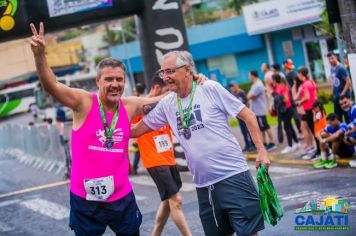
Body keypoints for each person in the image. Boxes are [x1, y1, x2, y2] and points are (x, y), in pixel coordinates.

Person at [29, 22, 167, 236]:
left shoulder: (129, 105)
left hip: (122, 199)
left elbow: (163, 99)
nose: (115, 84)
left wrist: (193, 84)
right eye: (109, 79)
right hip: (86, 201)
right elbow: (52, 86)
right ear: (98, 81)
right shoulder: (83, 102)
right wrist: (40, 55)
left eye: (119, 79)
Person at [131, 50, 270, 236]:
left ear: (187, 70)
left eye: (170, 71)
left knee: (249, 233)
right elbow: (135, 130)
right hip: (204, 187)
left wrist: (262, 151)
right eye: (163, 72)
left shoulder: (210, 88)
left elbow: (248, 115)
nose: (165, 77)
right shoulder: (167, 103)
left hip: (233, 176)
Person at [135, 72, 192, 236]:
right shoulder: (140, 106)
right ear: (157, 88)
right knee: (176, 200)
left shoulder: (165, 104)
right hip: (154, 160)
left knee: (168, 202)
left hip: (168, 158)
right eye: (167, 90)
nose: (170, 93)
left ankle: (155, 234)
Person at [247, 70, 276, 151]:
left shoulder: (258, 85)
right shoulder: (254, 85)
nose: (249, 77)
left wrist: (249, 96)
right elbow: (249, 95)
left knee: (265, 127)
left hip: (260, 110)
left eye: (249, 75)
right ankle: (265, 143)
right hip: (256, 110)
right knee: (261, 128)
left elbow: (250, 96)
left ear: (252, 75)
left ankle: (272, 143)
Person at [272, 73, 300, 154]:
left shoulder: (283, 87)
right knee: (290, 127)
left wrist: (278, 98)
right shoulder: (276, 87)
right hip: (282, 111)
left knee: (286, 128)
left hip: (287, 110)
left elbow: (286, 99)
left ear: (274, 80)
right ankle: (297, 142)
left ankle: (290, 146)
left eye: (272, 80)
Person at [296, 66, 317, 157]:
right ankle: (315, 149)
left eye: (298, 74)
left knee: (313, 130)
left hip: (309, 110)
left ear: (301, 74)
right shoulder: (310, 82)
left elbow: (307, 97)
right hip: (311, 109)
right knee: (312, 129)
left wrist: (299, 102)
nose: (297, 75)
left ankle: (316, 149)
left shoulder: (305, 84)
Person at [229, 81, 255, 152]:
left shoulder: (241, 92)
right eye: (231, 86)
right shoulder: (232, 95)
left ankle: (252, 145)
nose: (232, 88)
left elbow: (247, 102)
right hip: (238, 116)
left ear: (236, 85)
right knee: (243, 131)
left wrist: (246, 112)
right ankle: (247, 145)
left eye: (233, 86)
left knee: (248, 130)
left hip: (244, 116)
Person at [327, 52, 351, 123]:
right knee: (337, 117)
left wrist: (342, 94)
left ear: (336, 57)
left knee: (347, 117)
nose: (330, 60)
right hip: (336, 97)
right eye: (329, 59)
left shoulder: (341, 68)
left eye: (332, 58)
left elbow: (348, 82)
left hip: (344, 97)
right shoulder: (331, 68)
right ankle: (341, 133)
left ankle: (350, 133)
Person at [282, 59, 302, 135]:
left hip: (293, 98)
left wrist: (293, 93)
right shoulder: (291, 73)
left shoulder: (290, 74)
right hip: (293, 97)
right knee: (297, 114)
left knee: (296, 115)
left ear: (285, 65)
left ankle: (301, 132)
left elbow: (295, 84)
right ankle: (301, 131)